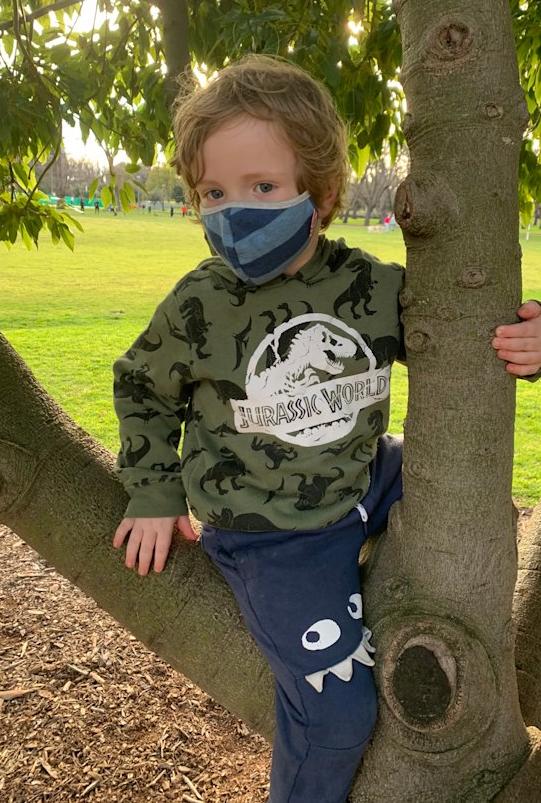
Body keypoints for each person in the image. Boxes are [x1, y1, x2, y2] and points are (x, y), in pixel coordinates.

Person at [112, 55, 541, 803]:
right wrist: (152, 491)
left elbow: (466, 340)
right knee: (338, 714)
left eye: (263, 188)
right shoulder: (201, 304)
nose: (233, 212)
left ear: (324, 193)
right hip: (274, 536)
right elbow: (142, 386)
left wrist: (528, 342)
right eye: (213, 192)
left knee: (476, 496)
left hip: (363, 474)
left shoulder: (371, 288)